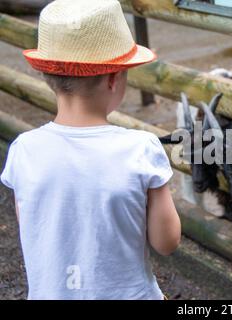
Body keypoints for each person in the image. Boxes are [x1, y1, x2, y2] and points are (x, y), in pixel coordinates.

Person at [0, 0, 181, 299]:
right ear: (114, 78)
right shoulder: (141, 150)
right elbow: (167, 242)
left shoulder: (24, 151)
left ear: (48, 77)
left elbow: (34, 229)